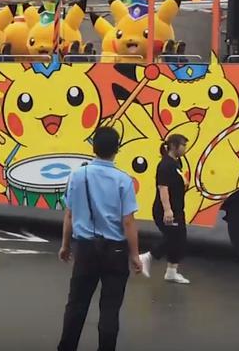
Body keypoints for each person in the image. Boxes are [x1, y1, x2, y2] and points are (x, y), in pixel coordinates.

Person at [57, 126, 143, 351]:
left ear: (94, 147)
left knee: (76, 304)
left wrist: (66, 246)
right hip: (115, 251)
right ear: (117, 149)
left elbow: (69, 214)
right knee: (110, 308)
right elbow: (128, 222)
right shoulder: (124, 180)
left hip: (85, 249)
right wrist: (134, 255)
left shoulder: (77, 176)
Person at [139, 134, 191, 284]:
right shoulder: (165, 165)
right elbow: (163, 188)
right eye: (183, 145)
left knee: (179, 240)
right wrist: (168, 211)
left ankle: (171, 272)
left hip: (178, 208)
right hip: (166, 210)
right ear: (174, 146)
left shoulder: (176, 162)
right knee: (175, 238)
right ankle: (147, 257)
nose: (185, 148)